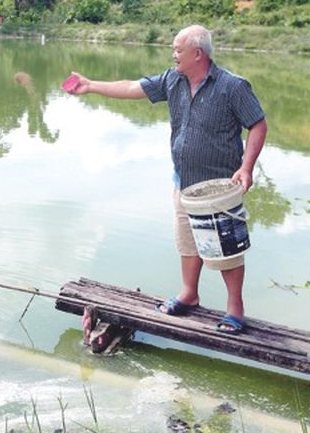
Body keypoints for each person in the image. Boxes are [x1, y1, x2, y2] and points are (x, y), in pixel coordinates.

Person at [66, 24, 267, 334]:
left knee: (226, 248)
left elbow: (258, 124)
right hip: (183, 181)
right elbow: (132, 87)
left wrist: (247, 167)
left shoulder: (232, 87)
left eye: (178, 49)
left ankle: (234, 309)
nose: (173, 55)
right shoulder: (172, 80)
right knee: (187, 242)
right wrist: (91, 85)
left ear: (197, 54)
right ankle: (189, 294)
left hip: (219, 187)